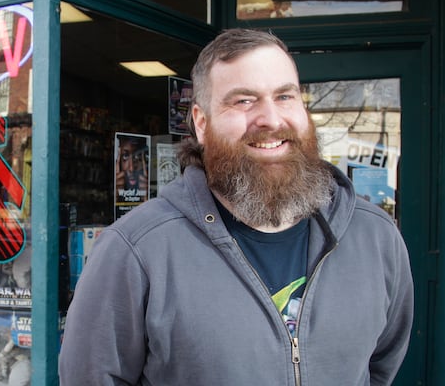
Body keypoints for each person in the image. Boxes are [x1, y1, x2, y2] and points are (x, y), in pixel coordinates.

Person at [59, 28, 414, 385]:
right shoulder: (135, 250)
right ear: (201, 122)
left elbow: (378, 367)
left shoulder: (374, 236)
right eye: (244, 100)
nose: (272, 119)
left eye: (285, 96)